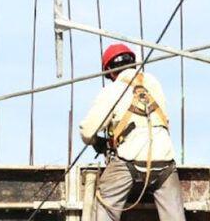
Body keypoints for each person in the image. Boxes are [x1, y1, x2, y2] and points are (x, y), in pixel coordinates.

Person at [78, 44, 183, 221]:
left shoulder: (114, 89)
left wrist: (97, 142)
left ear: (110, 71)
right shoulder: (153, 83)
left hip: (129, 160)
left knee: (105, 206)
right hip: (165, 161)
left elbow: (87, 131)